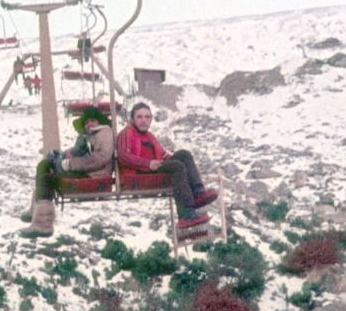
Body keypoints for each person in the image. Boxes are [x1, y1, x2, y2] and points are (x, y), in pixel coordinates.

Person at [116, 102, 218, 229]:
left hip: (153, 168)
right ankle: (186, 215)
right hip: (136, 175)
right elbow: (123, 156)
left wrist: (183, 162)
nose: (144, 121)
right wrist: (147, 163)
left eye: (147, 117)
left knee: (183, 155)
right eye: (139, 117)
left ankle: (198, 194)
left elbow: (163, 156)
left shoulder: (149, 136)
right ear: (132, 119)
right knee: (177, 166)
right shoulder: (127, 133)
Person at [20, 104, 115, 238]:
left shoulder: (104, 132)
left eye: (92, 121)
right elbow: (79, 152)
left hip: (95, 175)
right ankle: (37, 210)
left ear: (100, 122)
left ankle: (43, 223)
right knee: (45, 164)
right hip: (87, 171)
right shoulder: (88, 136)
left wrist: (70, 164)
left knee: (48, 175)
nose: (89, 124)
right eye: (86, 122)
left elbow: (101, 158)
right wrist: (61, 155)